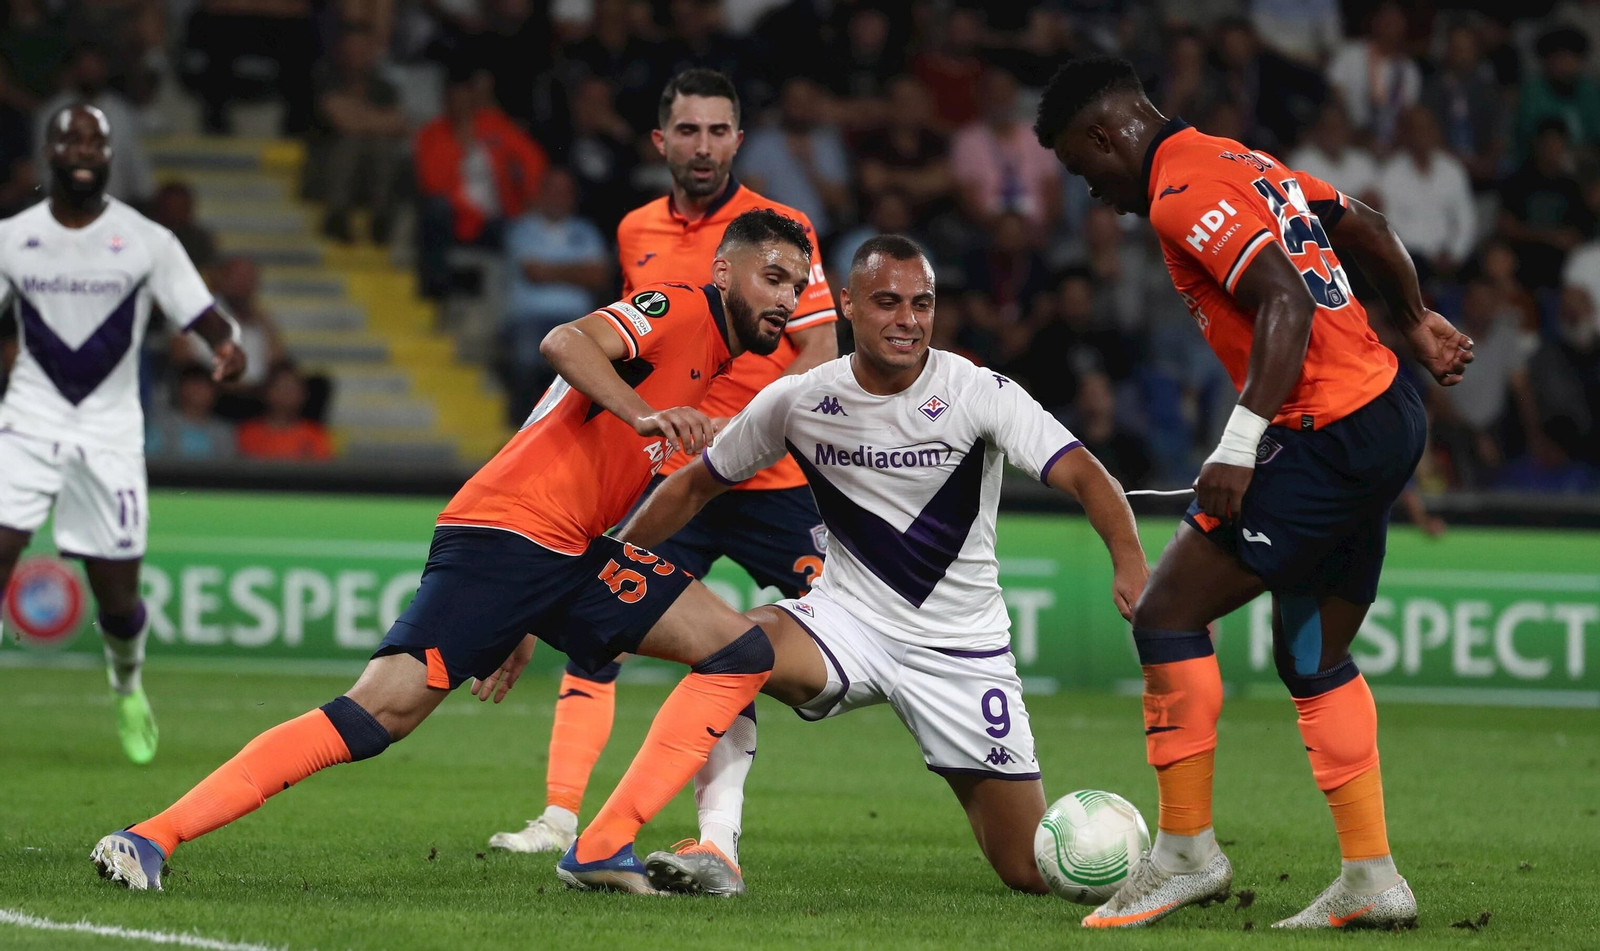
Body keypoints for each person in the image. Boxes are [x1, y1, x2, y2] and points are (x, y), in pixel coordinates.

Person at [91, 208, 811, 894]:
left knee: (739, 650)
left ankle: (602, 845)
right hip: (509, 533)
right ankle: (151, 836)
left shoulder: (713, 357)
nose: (785, 299)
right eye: (772, 277)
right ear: (724, 272)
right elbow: (564, 341)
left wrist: (531, 616)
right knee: (380, 713)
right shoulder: (679, 308)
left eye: (797, 285)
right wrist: (642, 414)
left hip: (567, 551)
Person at [1034, 56, 1473, 930]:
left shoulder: (1180, 191)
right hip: (1386, 412)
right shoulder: (1241, 159)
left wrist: (1238, 445)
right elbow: (1366, 223)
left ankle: (1184, 855)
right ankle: (1371, 875)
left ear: (1105, 136)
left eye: (1086, 171)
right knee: (1313, 655)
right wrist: (1413, 317)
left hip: (1324, 432)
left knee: (1165, 614)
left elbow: (1286, 303)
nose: (1097, 196)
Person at [610, 235, 1148, 896]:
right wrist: (611, 564)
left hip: (962, 650)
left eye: (922, 303)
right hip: (846, 621)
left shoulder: (978, 391)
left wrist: (1130, 563)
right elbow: (695, 485)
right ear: (847, 304)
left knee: (1028, 870)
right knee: (732, 649)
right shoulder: (800, 399)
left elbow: (1088, 476)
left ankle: (1126, 849)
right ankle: (717, 848)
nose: (908, 319)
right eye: (887, 302)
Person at [486, 69, 839, 883]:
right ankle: (561, 817)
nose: (703, 146)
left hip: (774, 479)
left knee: (860, 628)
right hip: (678, 480)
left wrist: (749, 430)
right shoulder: (635, 229)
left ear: (737, 140)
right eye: (688, 130)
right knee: (598, 630)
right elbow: (638, 347)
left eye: (718, 131)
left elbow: (821, 347)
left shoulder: (780, 232)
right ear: (661, 140)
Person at [0, 105, 246, 765]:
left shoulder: (146, 240)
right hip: (27, 421)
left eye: (95, 141)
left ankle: (126, 682)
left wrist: (227, 348)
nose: (82, 150)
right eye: (70, 139)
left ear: (109, 156)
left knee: (117, 598)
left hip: (109, 434)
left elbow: (202, 313)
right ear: (49, 152)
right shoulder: (12, 238)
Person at [236, 362, 334, 462]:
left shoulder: (314, 433)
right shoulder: (249, 432)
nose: (287, 394)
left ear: (303, 394)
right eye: (282, 388)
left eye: (292, 388)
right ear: (266, 392)